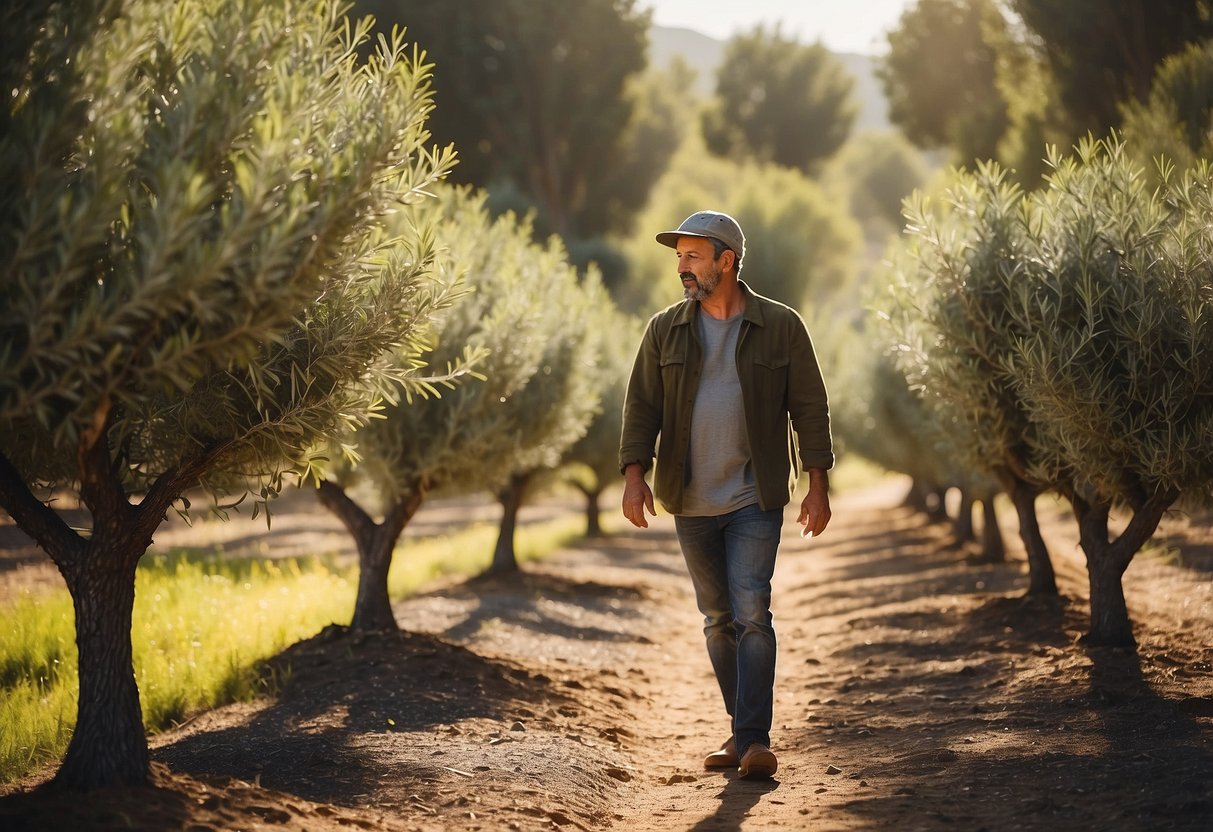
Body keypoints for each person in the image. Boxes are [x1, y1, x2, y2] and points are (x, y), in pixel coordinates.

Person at [618, 210, 833, 780]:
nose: (682, 268)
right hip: (688, 500)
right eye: (680, 258)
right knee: (716, 618)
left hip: (754, 496)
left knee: (751, 610)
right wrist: (634, 475)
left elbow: (810, 407)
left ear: (726, 261)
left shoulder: (781, 326)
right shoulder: (665, 328)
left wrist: (818, 483)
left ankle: (754, 739)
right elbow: (641, 405)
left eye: (692, 257)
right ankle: (741, 734)